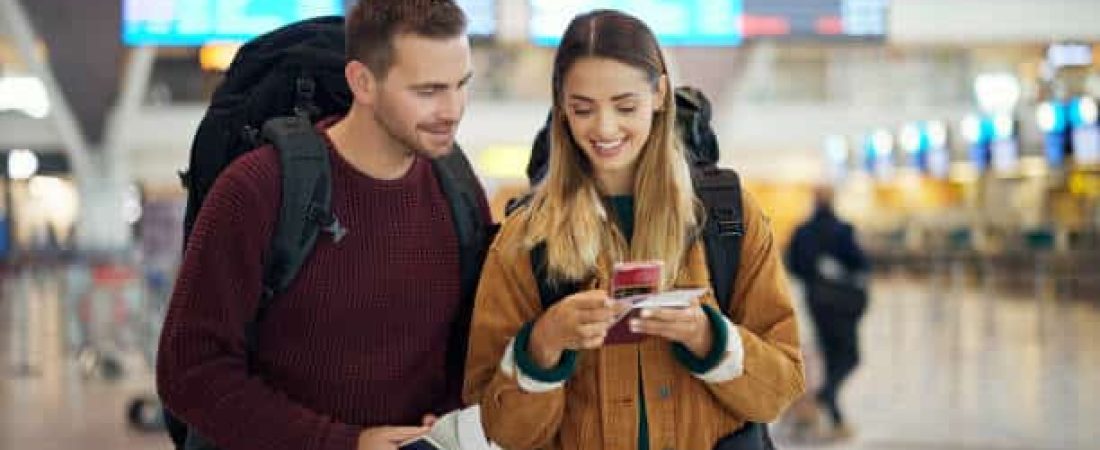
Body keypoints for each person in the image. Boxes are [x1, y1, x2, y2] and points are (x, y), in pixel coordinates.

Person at [463, 10, 805, 450]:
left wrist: (707, 337)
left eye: (626, 106)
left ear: (660, 93)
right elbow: (500, 430)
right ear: (561, 106)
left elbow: (780, 389)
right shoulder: (526, 238)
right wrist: (543, 346)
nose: (605, 129)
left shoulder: (727, 215)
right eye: (582, 108)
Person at [156, 1, 491, 449]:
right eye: (428, 91)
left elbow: (465, 346)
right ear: (363, 83)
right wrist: (340, 443)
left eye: (461, 85)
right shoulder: (260, 190)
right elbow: (190, 369)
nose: (452, 110)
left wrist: (448, 413)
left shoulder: (458, 190)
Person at [785, 185, 869, 440]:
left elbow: (792, 263)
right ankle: (823, 399)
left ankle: (828, 413)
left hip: (816, 301)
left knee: (830, 355)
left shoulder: (802, 231)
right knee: (849, 356)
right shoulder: (843, 231)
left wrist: (813, 280)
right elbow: (861, 265)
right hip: (842, 304)